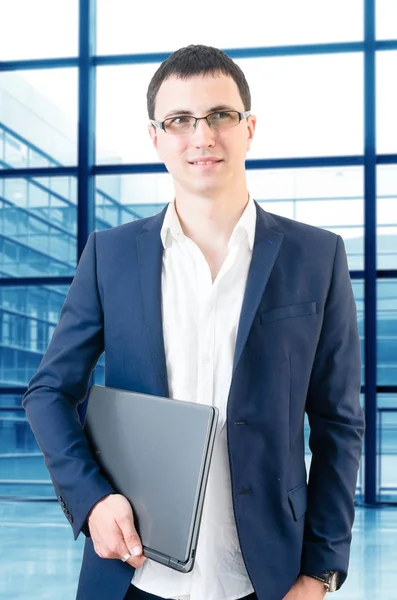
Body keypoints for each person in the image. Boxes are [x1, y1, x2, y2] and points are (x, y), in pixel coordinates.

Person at [23, 44, 365, 600]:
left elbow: (338, 423)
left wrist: (320, 574)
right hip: (131, 574)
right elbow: (47, 392)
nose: (202, 136)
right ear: (156, 137)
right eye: (180, 120)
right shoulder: (110, 256)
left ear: (249, 128)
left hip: (267, 579)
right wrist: (90, 499)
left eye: (220, 116)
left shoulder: (316, 257)